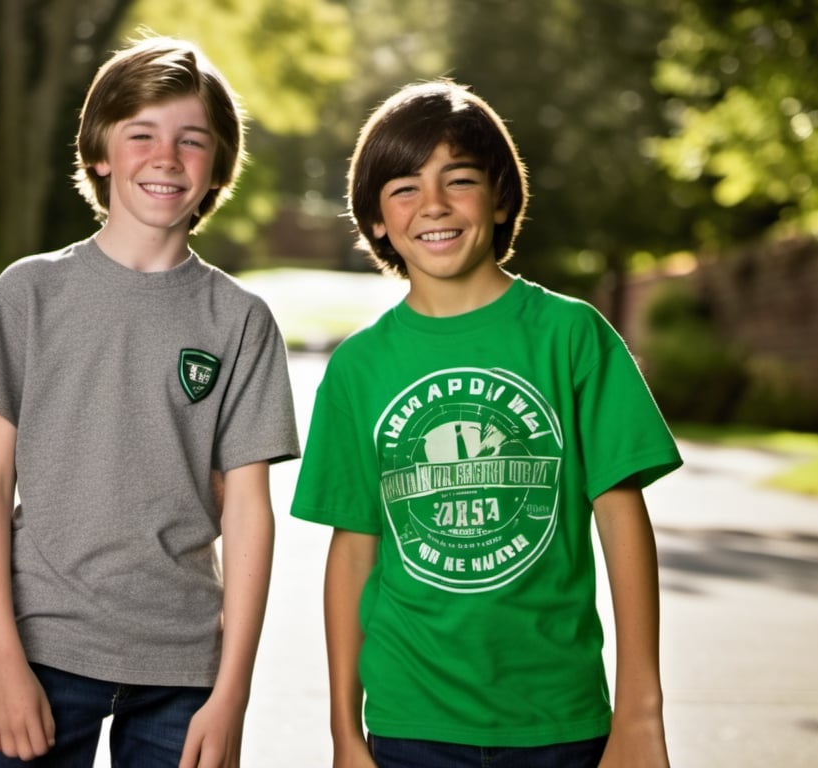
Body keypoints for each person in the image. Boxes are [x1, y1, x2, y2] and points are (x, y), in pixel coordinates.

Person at [290, 80, 683, 768]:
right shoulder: (358, 368)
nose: (433, 205)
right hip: (410, 720)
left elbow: (621, 518)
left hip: (558, 719)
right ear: (376, 219)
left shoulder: (571, 336)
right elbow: (353, 551)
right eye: (404, 187)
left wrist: (640, 710)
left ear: (500, 198)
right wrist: (343, 733)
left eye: (459, 179)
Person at [0, 35, 300, 767]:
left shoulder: (240, 321)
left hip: (184, 674)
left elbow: (249, 513)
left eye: (191, 140)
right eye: (141, 134)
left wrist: (232, 694)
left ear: (217, 167)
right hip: (41, 651)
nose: (165, 157)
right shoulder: (30, 294)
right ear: (100, 152)